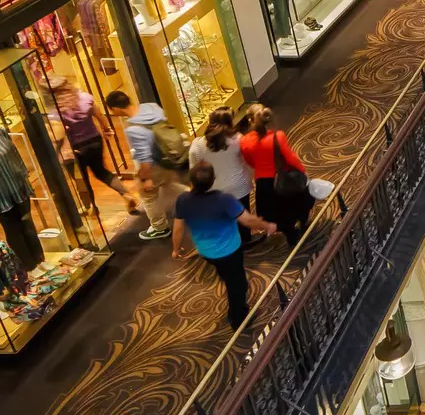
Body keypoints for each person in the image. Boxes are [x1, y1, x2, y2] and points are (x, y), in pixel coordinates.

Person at [172, 161, 275, 329]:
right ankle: (238, 319)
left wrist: (175, 250)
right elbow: (248, 220)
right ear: (213, 180)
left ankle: (228, 279)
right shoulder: (223, 199)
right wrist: (268, 226)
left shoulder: (183, 200)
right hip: (229, 250)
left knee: (226, 273)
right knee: (237, 284)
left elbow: (178, 228)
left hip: (205, 251)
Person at [54, 80, 140, 217]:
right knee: (101, 171)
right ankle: (126, 194)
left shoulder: (57, 108)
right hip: (94, 140)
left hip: (75, 148)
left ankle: (91, 207)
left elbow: (58, 134)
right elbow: (99, 115)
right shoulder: (85, 97)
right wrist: (107, 129)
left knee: (81, 179)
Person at [109, 91, 184, 240]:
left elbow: (144, 156)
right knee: (170, 183)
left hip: (155, 163)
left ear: (116, 109)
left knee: (147, 194)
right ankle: (200, 199)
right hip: (170, 155)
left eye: (111, 109)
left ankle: (159, 227)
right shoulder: (151, 107)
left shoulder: (133, 128)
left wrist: (146, 178)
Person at [242, 104, 312, 243]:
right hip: (282, 178)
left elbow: (249, 162)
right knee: (296, 202)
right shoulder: (277, 136)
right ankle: (301, 221)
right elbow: (290, 157)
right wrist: (304, 172)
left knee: (273, 213)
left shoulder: (245, 141)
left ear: (250, 120)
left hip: (264, 183)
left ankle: (289, 232)